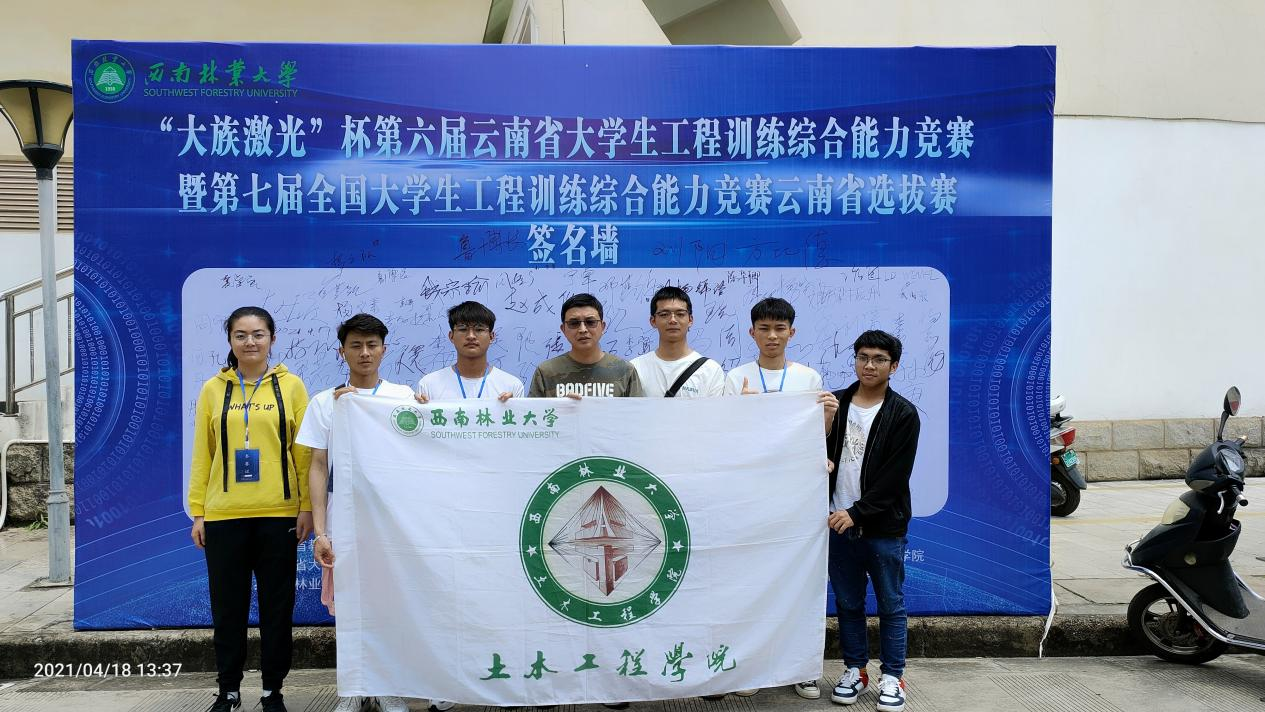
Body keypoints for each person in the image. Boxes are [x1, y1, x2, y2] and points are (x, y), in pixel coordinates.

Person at [296, 313, 452, 712]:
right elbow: (318, 466)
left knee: (390, 601)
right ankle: (353, 689)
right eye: (355, 346)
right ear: (342, 351)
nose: (364, 353)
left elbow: (423, 454)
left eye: (371, 345)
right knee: (350, 604)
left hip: (394, 522)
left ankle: (387, 685)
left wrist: (425, 414)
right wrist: (321, 530)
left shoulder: (402, 397)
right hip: (345, 518)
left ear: (384, 350)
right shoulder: (326, 402)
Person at [189, 306, 312, 712]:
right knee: (228, 609)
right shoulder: (213, 389)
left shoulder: (291, 386)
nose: (250, 342)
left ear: (272, 339)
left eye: (258, 334)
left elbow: (303, 454)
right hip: (225, 516)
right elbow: (203, 454)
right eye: (240, 335)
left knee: (278, 608)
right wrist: (199, 512)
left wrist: (307, 507)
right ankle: (228, 690)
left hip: (279, 515)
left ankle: (272, 690)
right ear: (230, 341)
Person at [725, 296, 837, 700]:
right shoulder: (735, 378)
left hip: (797, 498)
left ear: (792, 332)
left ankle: (803, 668)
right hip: (749, 494)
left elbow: (817, 437)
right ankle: (751, 666)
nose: (772, 336)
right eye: (764, 328)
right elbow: (723, 434)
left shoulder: (808, 377)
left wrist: (827, 416)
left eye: (779, 329)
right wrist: (741, 412)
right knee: (752, 582)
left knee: (800, 581)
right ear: (751, 332)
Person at [825, 330, 920, 712]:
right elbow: (812, 453)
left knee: (890, 605)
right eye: (863, 357)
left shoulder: (903, 414)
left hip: (882, 529)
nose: (869, 365)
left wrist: (855, 513)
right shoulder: (835, 404)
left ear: (893, 366)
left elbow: (894, 480)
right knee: (848, 604)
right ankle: (855, 670)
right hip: (837, 525)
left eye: (879, 359)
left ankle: (893, 676)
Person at [528, 293, 643, 399]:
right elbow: (532, 413)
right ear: (563, 330)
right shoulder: (546, 372)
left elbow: (637, 413)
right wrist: (561, 408)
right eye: (574, 323)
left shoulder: (625, 370)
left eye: (590, 322)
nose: (583, 329)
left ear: (602, 327)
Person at [415, 301, 524, 403]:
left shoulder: (512, 387)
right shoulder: (429, 385)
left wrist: (514, 406)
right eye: (463, 329)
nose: (471, 336)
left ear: (491, 337)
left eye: (479, 329)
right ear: (451, 336)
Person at [631, 286, 726, 399]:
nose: (672, 320)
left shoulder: (710, 370)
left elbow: (715, 410)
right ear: (653, 321)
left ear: (690, 320)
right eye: (664, 314)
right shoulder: (635, 368)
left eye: (680, 314)